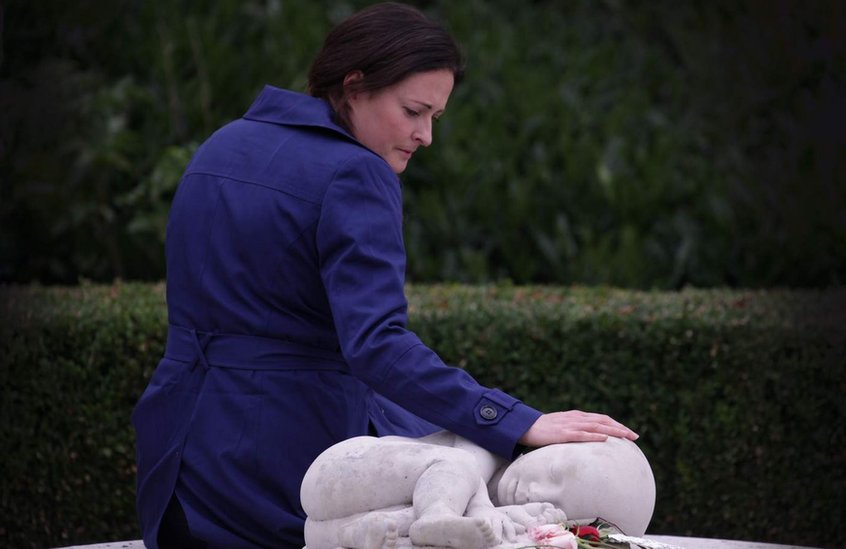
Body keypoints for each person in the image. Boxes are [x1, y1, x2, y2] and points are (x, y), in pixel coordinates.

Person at [131, 3, 638, 548]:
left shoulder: (220, 146)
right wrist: (513, 420)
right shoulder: (356, 173)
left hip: (178, 462)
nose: (425, 136)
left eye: (434, 119)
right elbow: (377, 347)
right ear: (354, 85)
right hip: (287, 467)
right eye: (413, 111)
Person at [299, 432, 655, 549]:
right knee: (460, 469)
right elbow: (465, 479)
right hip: (341, 468)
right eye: (553, 471)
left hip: (328, 523)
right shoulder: (486, 447)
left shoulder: (495, 515)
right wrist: (490, 513)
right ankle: (434, 515)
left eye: (554, 501)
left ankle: (363, 532)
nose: (534, 491)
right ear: (551, 445)